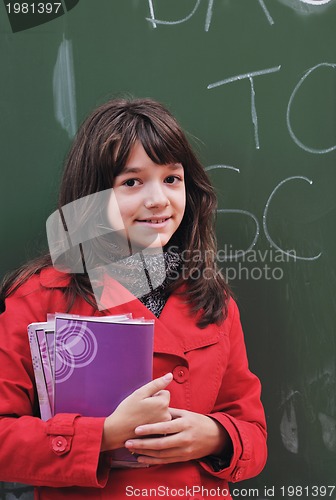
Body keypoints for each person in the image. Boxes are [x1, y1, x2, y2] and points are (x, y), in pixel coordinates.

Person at [0, 98, 267, 499]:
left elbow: (254, 432)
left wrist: (214, 436)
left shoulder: (211, 299)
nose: (158, 199)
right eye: (131, 182)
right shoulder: (39, 298)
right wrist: (102, 435)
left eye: (172, 179)